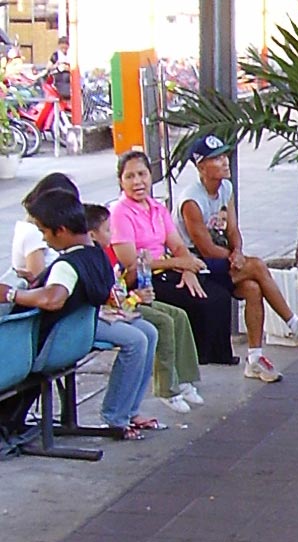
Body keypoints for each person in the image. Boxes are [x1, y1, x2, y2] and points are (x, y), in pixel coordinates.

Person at [176, 136, 298, 382]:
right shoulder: (192, 201)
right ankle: (293, 323)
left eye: (224, 156)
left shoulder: (226, 189)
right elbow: (205, 247)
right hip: (196, 263)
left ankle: (254, 359)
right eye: (217, 159)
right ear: (201, 167)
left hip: (222, 257)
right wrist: (237, 259)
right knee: (257, 265)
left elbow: (232, 229)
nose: (224, 162)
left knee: (253, 288)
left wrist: (238, 251)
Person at [0, 183, 115, 437]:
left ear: (61, 230)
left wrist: (10, 293)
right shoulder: (97, 255)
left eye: (44, 231)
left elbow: (54, 299)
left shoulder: (67, 265)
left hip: (32, 352)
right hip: (67, 345)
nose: (43, 238)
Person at [109, 150, 237, 368]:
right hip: (143, 279)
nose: (137, 182)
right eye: (130, 177)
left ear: (150, 176)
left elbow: (177, 245)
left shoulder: (157, 208)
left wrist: (188, 269)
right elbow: (132, 263)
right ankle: (195, 360)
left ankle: (216, 356)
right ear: (121, 182)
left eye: (142, 174)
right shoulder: (120, 212)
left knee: (219, 295)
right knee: (200, 302)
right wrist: (179, 263)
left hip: (169, 270)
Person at [87, 204, 206, 415]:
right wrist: (135, 297)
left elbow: (124, 282)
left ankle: (185, 379)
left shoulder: (110, 253)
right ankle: (166, 388)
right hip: (121, 307)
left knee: (178, 315)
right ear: (93, 235)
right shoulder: (98, 257)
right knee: (161, 323)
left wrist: (137, 279)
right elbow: (112, 299)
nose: (112, 234)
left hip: (131, 299)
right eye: (107, 230)